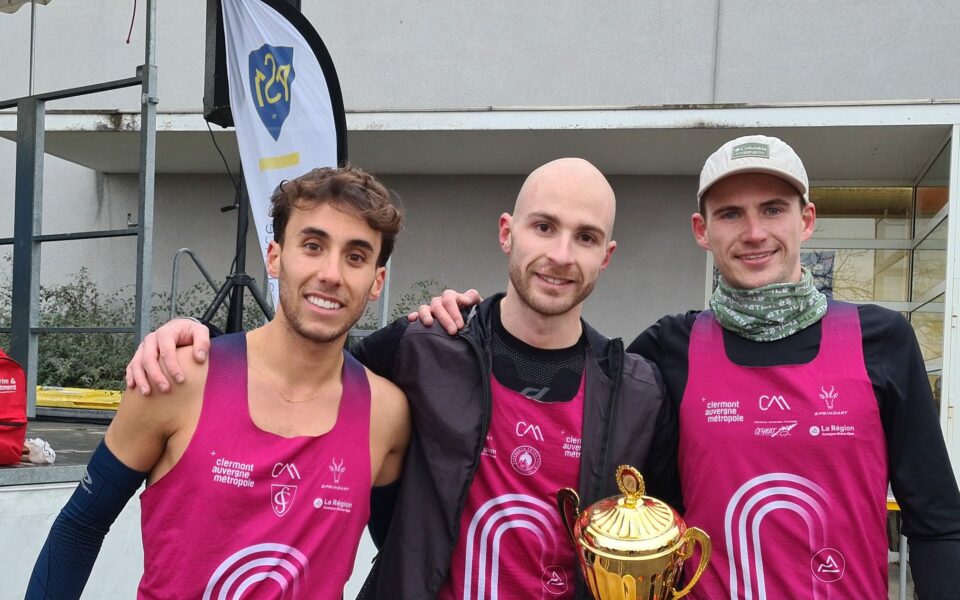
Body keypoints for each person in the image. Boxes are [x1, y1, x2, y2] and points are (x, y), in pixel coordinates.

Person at [416, 135, 960, 599]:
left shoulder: (880, 340)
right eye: (730, 214)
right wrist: (466, 321)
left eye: (773, 208)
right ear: (702, 230)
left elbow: (937, 522)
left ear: (807, 220)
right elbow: (555, 363)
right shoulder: (669, 350)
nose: (753, 232)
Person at [123, 157, 681, 599]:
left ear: (606, 257)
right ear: (507, 232)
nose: (560, 254)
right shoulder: (423, 346)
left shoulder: (638, 392)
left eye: (585, 238)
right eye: (544, 226)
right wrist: (190, 339)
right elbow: (305, 359)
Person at [26, 166, 410, 599]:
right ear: (275, 256)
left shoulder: (386, 414)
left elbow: (406, 560)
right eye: (313, 245)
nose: (331, 274)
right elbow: (80, 527)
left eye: (355, 257)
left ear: (376, 281)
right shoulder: (179, 377)